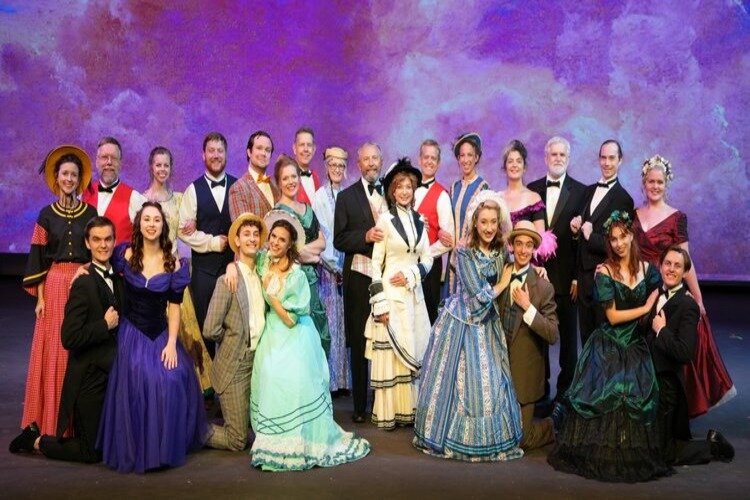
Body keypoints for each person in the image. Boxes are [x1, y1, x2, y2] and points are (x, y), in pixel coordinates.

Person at [548, 210, 672, 482]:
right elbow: (613, 317)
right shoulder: (604, 271)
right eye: (613, 239)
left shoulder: (648, 270)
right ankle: (605, 450)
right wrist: (645, 307)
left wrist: (655, 306)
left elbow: (660, 292)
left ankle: (627, 449)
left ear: (631, 235)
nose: (618, 243)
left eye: (622, 237)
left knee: (635, 396)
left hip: (637, 343)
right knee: (608, 395)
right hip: (610, 342)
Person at [249, 212, 371, 470]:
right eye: (273, 237)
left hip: (294, 333)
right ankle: (273, 440)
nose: (276, 243)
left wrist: (273, 300)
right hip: (271, 333)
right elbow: (245, 259)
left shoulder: (296, 275)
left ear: (290, 244)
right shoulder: (262, 262)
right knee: (270, 377)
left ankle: (301, 441)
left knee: (295, 382)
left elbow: (291, 320)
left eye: (282, 240)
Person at [98, 202, 209, 473]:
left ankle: (162, 448)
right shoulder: (125, 254)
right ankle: (137, 449)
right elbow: (100, 264)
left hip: (160, 332)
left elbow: (174, 309)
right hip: (132, 331)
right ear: (139, 224)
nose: (151, 224)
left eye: (156, 220)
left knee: (171, 378)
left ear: (163, 225)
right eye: (146, 219)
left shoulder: (174, 263)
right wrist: (82, 269)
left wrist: (172, 344)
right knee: (139, 380)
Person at [414, 193, 523, 461]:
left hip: (488, 327)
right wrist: (502, 283)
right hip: (463, 324)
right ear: (474, 222)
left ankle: (492, 439)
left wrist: (533, 270)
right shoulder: (463, 252)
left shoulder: (500, 251)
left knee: (493, 383)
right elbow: (477, 297)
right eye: (483, 221)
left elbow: (518, 265)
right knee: (464, 384)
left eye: (493, 222)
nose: (488, 228)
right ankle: (453, 437)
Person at [10, 216, 122, 462]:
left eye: (107, 239)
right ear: (87, 243)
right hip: (90, 380)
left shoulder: (119, 278)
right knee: (91, 452)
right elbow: (69, 337)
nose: (103, 245)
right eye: (97, 240)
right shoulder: (82, 283)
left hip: (115, 377)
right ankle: (36, 440)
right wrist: (104, 325)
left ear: (114, 242)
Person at [633, 155, 735, 417]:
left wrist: (698, 299)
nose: (655, 186)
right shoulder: (633, 216)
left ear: (667, 184)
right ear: (643, 183)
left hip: (667, 295)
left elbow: (685, 263)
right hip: (641, 294)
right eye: (650, 181)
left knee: (670, 354)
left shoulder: (677, 218)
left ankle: (673, 414)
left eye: (660, 182)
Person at [20, 145, 97, 437]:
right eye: (64, 173)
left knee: (78, 348)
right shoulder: (45, 215)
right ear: (56, 177)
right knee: (54, 350)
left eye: (74, 175)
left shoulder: (90, 212)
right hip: (53, 285)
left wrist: (88, 274)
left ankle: (78, 422)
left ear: (80, 180)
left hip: (81, 281)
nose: (69, 179)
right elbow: (39, 258)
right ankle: (51, 421)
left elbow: (97, 249)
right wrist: (40, 299)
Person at [647, 246, 734, 465]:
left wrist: (661, 330)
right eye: (668, 264)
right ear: (660, 265)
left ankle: (713, 446)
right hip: (648, 380)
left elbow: (684, 353)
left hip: (668, 386)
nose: (671, 269)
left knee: (662, 455)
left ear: (686, 272)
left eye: (677, 266)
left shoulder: (688, 305)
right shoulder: (655, 293)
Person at [365, 158, 433, 429]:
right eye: (400, 187)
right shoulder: (384, 219)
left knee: (414, 350)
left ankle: (410, 411)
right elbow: (374, 263)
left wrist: (412, 274)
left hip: (413, 295)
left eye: (409, 186)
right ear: (392, 191)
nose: (405, 191)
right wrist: (379, 303)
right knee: (393, 356)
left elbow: (427, 257)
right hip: (391, 298)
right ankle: (389, 413)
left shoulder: (419, 220)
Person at [143, 146, 213, 396]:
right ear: (151, 166)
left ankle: (188, 385)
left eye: (166, 165)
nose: (162, 169)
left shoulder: (181, 199)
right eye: (158, 165)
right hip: (152, 271)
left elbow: (188, 229)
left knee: (183, 328)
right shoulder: (142, 200)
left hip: (173, 268)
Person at [528, 136, 586, 402]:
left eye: (563, 155)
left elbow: (581, 242)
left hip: (567, 279)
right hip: (536, 278)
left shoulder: (582, 191)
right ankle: (540, 391)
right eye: (554, 154)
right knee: (538, 337)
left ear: (568, 158)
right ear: (545, 157)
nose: (558, 158)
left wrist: (576, 276)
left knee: (568, 344)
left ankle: (565, 397)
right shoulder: (532, 189)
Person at [202, 213, 267, 451]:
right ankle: (191, 429)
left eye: (256, 234)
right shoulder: (227, 280)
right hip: (236, 364)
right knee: (237, 440)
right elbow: (210, 329)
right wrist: (232, 339)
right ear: (237, 241)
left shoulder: (262, 274)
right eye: (246, 234)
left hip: (260, 361)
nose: (252, 239)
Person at [333, 142, 388, 423]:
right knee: (358, 341)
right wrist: (365, 237)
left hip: (387, 280)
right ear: (358, 163)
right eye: (366, 159)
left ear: (381, 160)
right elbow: (339, 240)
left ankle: (384, 403)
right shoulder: (346, 197)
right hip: (357, 280)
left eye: (375, 158)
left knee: (385, 341)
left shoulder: (391, 193)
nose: (371, 163)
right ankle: (358, 407)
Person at [501, 220, 559, 450]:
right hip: (499, 372)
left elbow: (553, 334)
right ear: (512, 246)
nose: (523, 250)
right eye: (519, 244)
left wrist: (528, 308)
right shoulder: (501, 275)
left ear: (534, 249)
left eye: (528, 245)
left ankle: (552, 423)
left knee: (521, 440)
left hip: (524, 377)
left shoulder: (543, 287)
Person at [570, 139, 634, 345]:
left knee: (605, 342)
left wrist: (591, 236)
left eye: (611, 158)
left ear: (620, 161)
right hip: (584, 279)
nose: (606, 163)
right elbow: (581, 235)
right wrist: (576, 229)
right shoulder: (588, 191)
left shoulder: (624, 199)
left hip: (605, 280)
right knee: (586, 340)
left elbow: (621, 246)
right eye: (603, 158)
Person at [178, 132, 237, 357]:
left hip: (233, 269)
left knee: (232, 325)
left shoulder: (237, 186)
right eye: (211, 151)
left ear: (226, 155)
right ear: (203, 155)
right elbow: (184, 232)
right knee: (206, 327)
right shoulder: (193, 190)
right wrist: (213, 242)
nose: (216, 155)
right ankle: (209, 388)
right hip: (203, 272)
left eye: (220, 151)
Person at [274, 155, 330, 356]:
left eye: (294, 176)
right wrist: (309, 254)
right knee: (301, 336)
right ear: (279, 183)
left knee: (320, 333)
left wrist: (307, 253)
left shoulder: (307, 208)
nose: (291, 182)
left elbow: (322, 241)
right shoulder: (278, 213)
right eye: (285, 178)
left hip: (313, 281)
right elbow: (288, 252)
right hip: (294, 283)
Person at [311, 146, 351, 392]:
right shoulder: (318, 196)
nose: (337, 169)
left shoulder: (347, 195)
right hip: (327, 268)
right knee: (328, 322)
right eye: (333, 165)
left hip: (346, 266)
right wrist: (333, 265)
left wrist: (344, 266)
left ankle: (344, 380)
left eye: (341, 166)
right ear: (326, 167)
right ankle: (329, 380)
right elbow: (322, 232)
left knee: (343, 324)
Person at [414, 139, 454, 324]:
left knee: (427, 318)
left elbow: (448, 240)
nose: (429, 161)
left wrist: (425, 256)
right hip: (405, 263)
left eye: (433, 158)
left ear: (438, 163)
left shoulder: (442, 195)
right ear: (420, 159)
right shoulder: (407, 188)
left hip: (429, 268)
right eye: (426, 157)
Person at [445, 132, 490, 295]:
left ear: (477, 157)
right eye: (462, 155)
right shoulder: (453, 187)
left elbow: (486, 227)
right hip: (451, 261)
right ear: (458, 158)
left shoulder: (483, 188)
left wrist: (468, 241)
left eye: (470, 155)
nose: (466, 160)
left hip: (472, 260)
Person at [497, 139, 556, 261]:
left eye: (519, 161)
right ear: (505, 167)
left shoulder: (534, 198)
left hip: (526, 267)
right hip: (499, 265)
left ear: (524, 167)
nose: (514, 165)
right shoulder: (497, 199)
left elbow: (540, 242)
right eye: (510, 161)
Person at [82, 136, 146, 245]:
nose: (109, 162)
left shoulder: (135, 198)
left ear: (120, 163)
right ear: (97, 162)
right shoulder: (82, 194)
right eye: (104, 157)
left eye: (114, 158)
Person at [228, 130, 280, 221]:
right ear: (249, 152)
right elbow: (244, 232)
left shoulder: (277, 186)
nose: (264, 153)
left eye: (268, 150)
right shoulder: (238, 188)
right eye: (259, 148)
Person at [292, 126, 321, 205]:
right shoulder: (287, 177)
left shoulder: (316, 177)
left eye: (309, 145)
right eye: (302, 145)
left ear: (314, 149)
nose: (306, 149)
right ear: (294, 148)